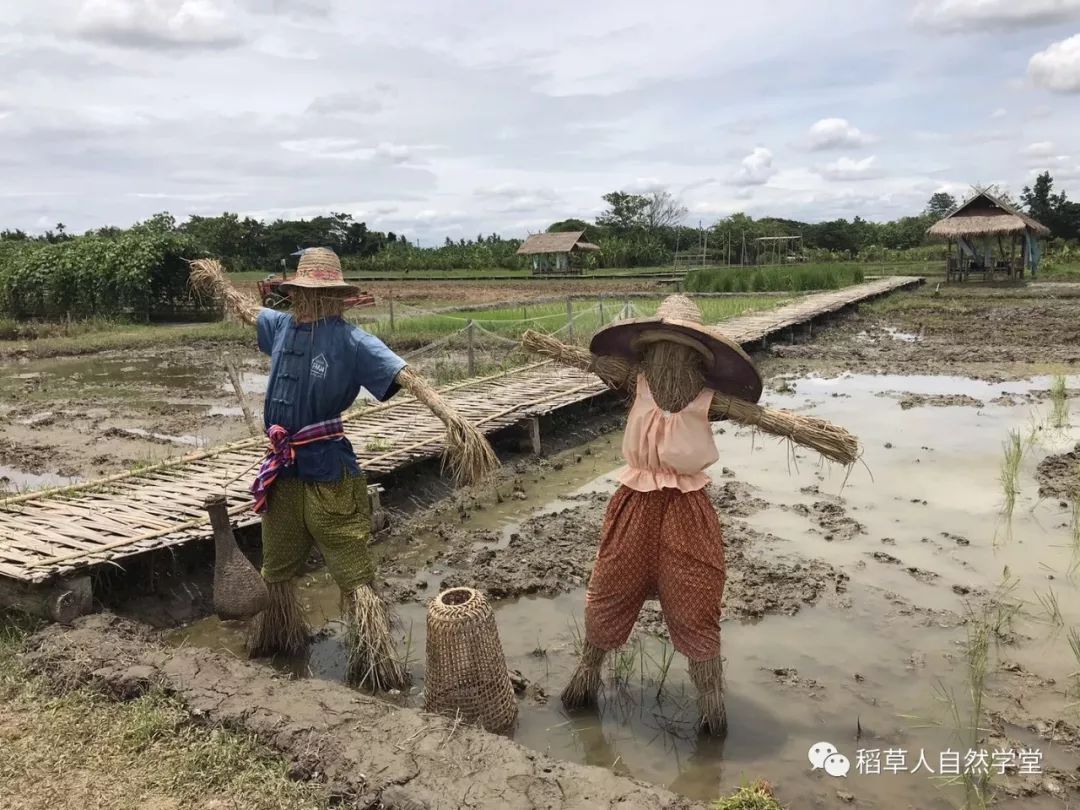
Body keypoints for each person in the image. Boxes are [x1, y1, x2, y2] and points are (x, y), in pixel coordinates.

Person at [192, 247, 496, 691]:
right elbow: (245, 309)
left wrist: (453, 418)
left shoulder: (353, 342)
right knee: (277, 558)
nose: (310, 301)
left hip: (328, 469)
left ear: (336, 297)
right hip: (283, 469)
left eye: (320, 294)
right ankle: (278, 634)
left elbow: (408, 376)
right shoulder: (280, 326)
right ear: (293, 293)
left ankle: (375, 660)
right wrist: (218, 279)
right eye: (304, 293)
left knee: (351, 564)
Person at [554, 294, 763, 735]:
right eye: (660, 350)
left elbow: (771, 419)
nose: (668, 361)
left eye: (679, 351)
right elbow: (584, 361)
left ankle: (712, 710)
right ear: (647, 353)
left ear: (696, 358)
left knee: (696, 592)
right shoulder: (636, 383)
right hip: (635, 501)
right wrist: (548, 346)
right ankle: (585, 680)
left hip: (686, 510)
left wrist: (818, 435)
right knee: (611, 586)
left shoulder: (711, 402)